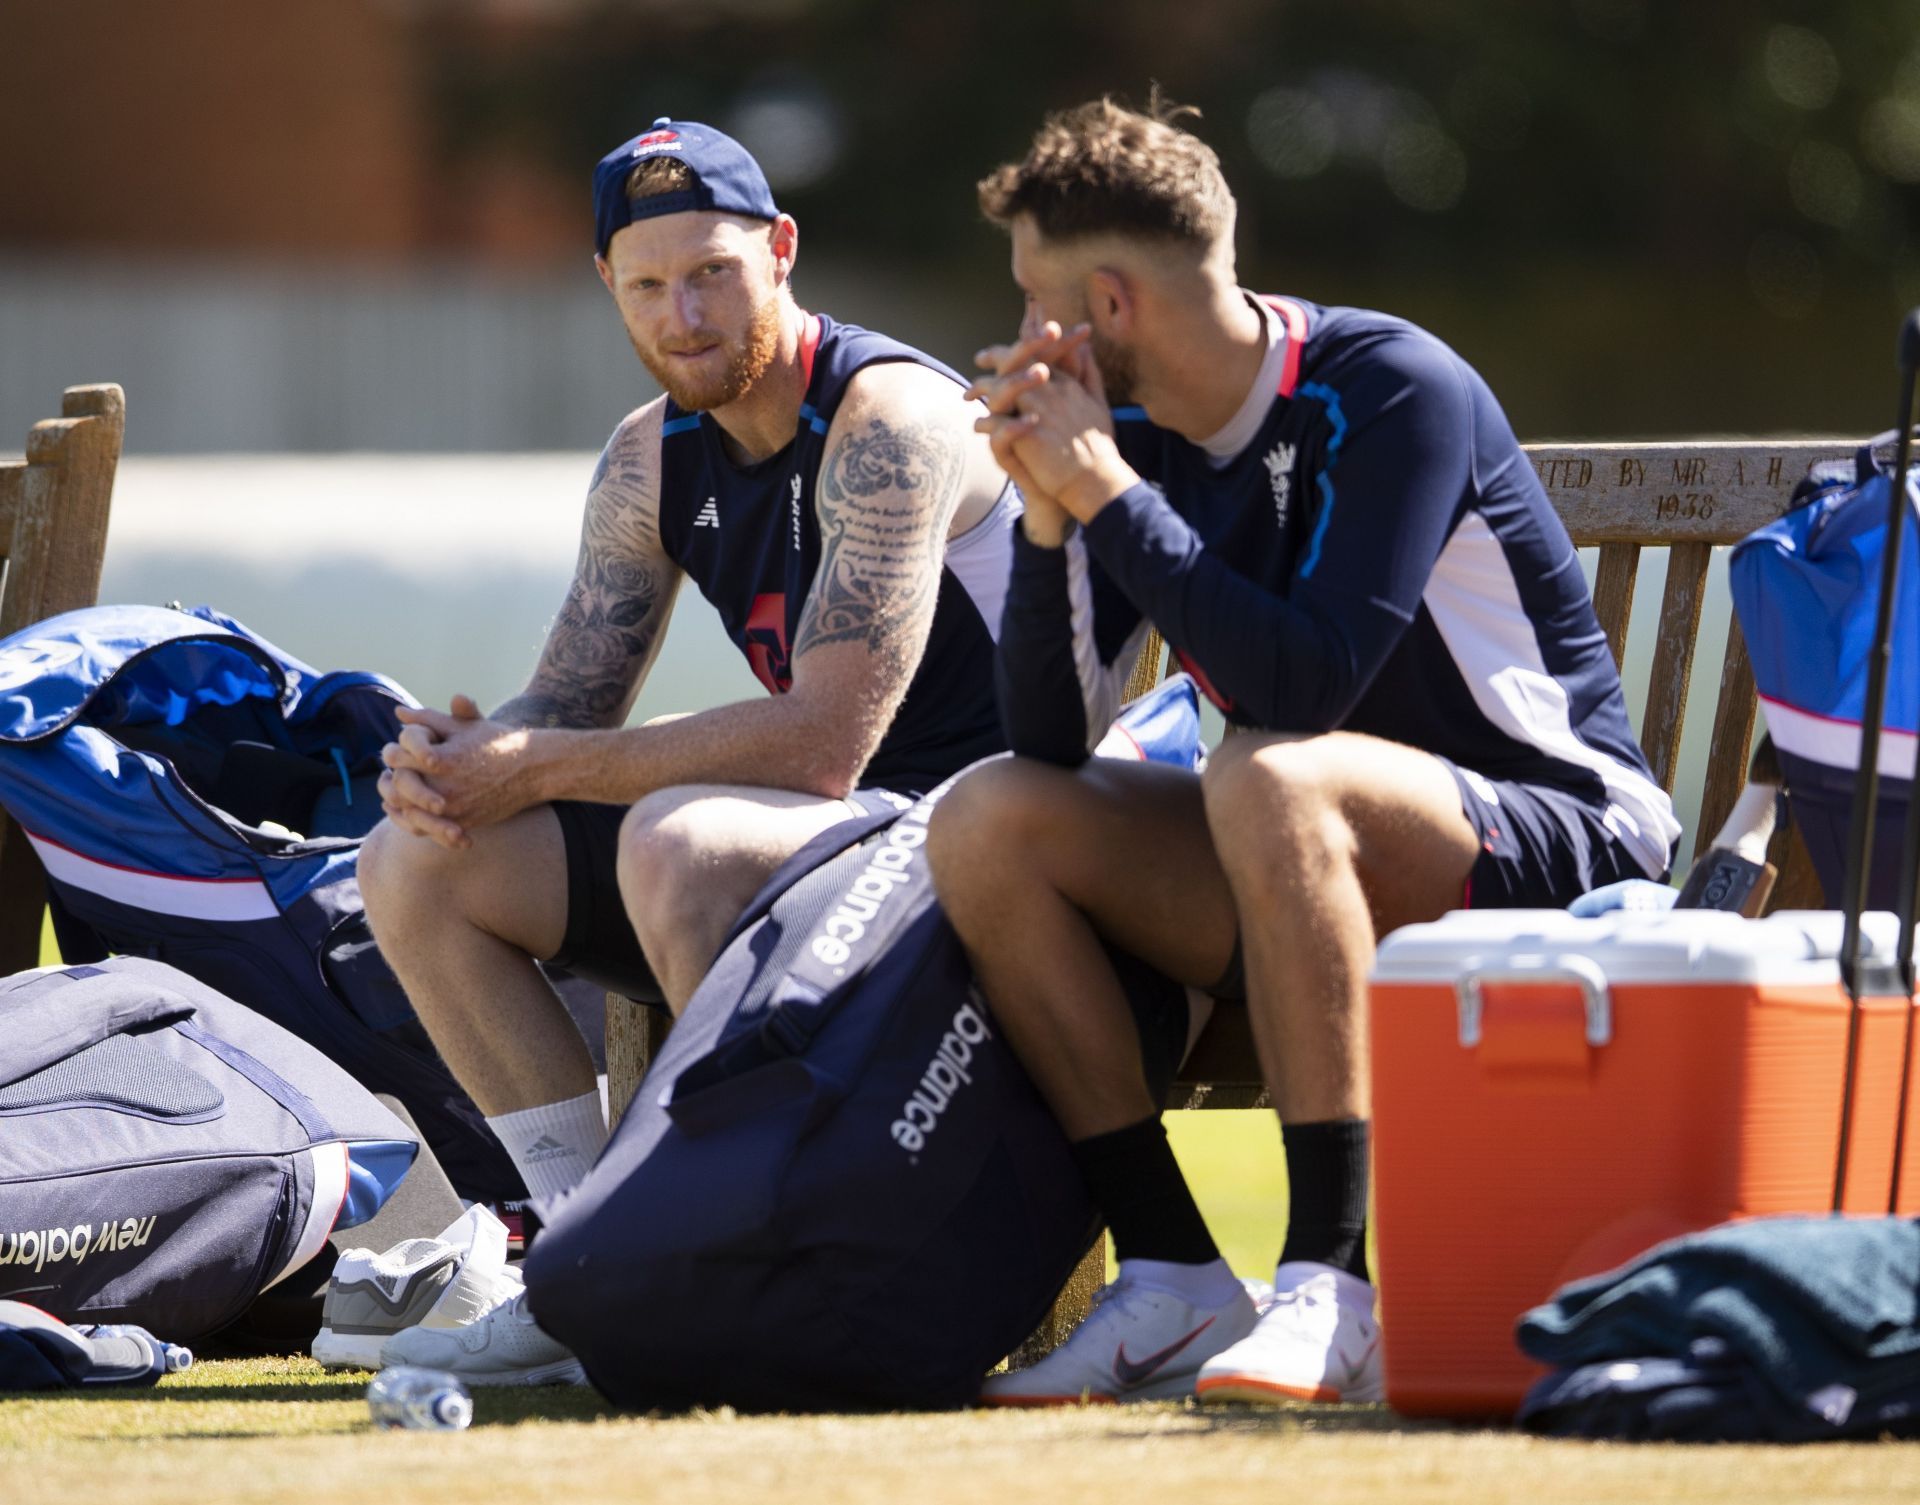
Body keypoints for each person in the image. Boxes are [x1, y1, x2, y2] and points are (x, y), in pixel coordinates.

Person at [926, 96, 1680, 1406]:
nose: (1026, 341)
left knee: (1267, 768)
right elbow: (1044, 743)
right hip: (1305, 856)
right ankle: (1169, 1276)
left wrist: (1103, 488)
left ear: (1110, 303)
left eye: (1039, 303)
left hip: (1564, 845)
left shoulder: (1389, 391)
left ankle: (1333, 1281)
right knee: (991, 815)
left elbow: (1301, 683)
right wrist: (1050, 525)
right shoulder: (1136, 439)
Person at [358, 118, 1018, 1383]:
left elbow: (827, 742)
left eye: (714, 271)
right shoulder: (645, 458)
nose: (686, 313)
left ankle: (738, 1258)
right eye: (650, 284)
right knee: (419, 859)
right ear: (609, 285)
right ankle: (588, 1260)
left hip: (984, 845)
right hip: (826, 849)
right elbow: (567, 700)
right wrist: (457, 759)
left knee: (684, 839)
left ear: (780, 252)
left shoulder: (890, 416)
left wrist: (536, 759)